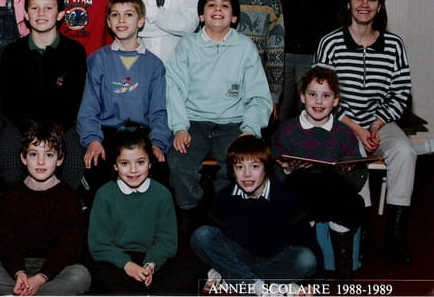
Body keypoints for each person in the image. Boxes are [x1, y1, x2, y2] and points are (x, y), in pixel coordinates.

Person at [314, 0, 415, 265]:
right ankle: (362, 233)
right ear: (348, 4)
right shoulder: (330, 42)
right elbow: (319, 94)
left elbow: (400, 91)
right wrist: (357, 129)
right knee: (354, 158)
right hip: (340, 123)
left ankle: (395, 235)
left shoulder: (394, 44)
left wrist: (376, 125)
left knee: (405, 152)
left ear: (379, 6)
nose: (364, 5)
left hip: (379, 123)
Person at [166, 0, 272, 220]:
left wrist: (250, 130)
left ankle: (224, 213)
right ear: (201, 15)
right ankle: (192, 211)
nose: (217, 9)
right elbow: (174, 89)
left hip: (233, 124)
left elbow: (258, 95)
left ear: (234, 17)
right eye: (211, 4)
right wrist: (180, 127)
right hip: (193, 122)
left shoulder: (245, 47)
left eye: (225, 5)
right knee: (179, 162)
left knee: (238, 164)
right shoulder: (187, 45)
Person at [0, 122, 91, 295]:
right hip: (17, 267)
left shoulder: (68, 197)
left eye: (49, 155)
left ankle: (21, 293)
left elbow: (69, 247)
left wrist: (41, 278)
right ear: (23, 158)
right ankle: (30, 290)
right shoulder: (11, 195)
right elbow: (5, 241)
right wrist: (19, 272)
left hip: (53, 269)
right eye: (33, 154)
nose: (40, 161)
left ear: (60, 160)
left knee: (81, 276)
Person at [273, 67, 366, 280]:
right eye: (312, 94)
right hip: (301, 193)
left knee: (347, 201)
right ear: (302, 97)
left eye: (326, 96)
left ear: (336, 101)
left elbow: (359, 173)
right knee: (297, 193)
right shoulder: (288, 130)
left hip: (334, 193)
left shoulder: (344, 133)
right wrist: (288, 168)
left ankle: (343, 263)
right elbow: (273, 166)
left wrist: (347, 170)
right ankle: (311, 264)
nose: (318, 101)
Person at [190, 136, 317, 292]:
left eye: (255, 166)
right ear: (232, 171)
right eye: (239, 167)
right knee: (202, 235)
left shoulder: (284, 196)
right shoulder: (225, 196)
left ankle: (236, 279)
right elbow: (211, 243)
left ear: (266, 169)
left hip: (273, 261)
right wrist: (207, 270)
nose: (247, 174)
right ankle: (261, 286)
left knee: (306, 259)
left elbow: (308, 241)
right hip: (238, 257)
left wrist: (312, 285)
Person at [77, 0, 171, 193]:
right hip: (108, 132)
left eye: (129, 14)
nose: (121, 20)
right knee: (96, 169)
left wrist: (157, 143)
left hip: (141, 133)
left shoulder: (154, 65)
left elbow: (159, 111)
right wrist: (93, 139)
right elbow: (89, 107)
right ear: (108, 23)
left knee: (160, 172)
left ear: (141, 21)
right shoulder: (98, 59)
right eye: (115, 15)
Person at [0, 0, 87, 189]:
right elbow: (9, 101)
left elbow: (73, 100)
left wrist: (51, 133)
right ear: (26, 14)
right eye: (35, 8)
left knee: (73, 166)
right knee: (9, 168)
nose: (41, 13)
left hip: (62, 124)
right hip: (21, 124)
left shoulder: (74, 52)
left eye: (48, 8)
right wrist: (31, 131)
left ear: (60, 14)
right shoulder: (13, 53)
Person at [88, 126, 191, 294]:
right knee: (99, 276)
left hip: (151, 257)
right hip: (117, 259)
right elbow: (99, 245)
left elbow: (167, 241)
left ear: (150, 163)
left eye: (140, 162)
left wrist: (150, 265)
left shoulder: (162, 194)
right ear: (115, 166)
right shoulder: (104, 194)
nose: (133, 170)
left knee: (189, 270)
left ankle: (144, 291)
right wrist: (127, 265)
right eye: (124, 163)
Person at [221, 0, 284, 120]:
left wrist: (274, 96)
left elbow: (276, 52)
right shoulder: (218, 0)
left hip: (256, 89)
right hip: (220, 89)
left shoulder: (270, 2)